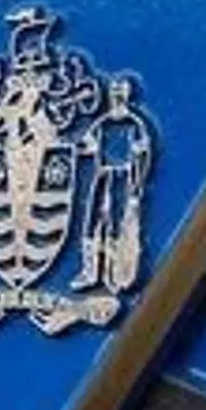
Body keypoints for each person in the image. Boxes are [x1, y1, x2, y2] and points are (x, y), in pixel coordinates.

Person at [77, 74, 153, 293]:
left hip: (123, 176)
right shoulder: (102, 123)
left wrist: (139, 182)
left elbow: (144, 154)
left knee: (116, 226)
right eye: (114, 93)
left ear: (127, 96)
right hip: (103, 175)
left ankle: (114, 275)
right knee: (91, 222)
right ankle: (90, 273)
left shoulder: (134, 124)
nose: (117, 98)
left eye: (121, 94)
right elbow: (87, 146)